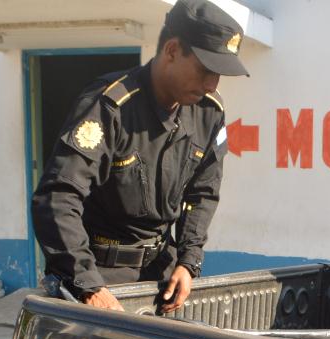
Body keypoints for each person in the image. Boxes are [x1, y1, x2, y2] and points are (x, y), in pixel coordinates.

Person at [32, 0, 248, 313]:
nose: (211, 84)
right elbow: (57, 197)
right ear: (172, 50)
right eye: (205, 70)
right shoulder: (110, 106)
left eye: (218, 74)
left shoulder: (209, 112)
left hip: (163, 275)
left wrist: (188, 262)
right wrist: (88, 284)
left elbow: (202, 194)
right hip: (100, 275)